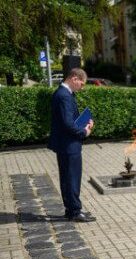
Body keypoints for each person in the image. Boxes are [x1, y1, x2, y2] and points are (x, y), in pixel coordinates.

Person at [48, 68, 96, 222]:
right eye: (81, 84)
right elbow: (68, 124)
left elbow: (69, 120)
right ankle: (75, 211)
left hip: (67, 144)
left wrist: (84, 124)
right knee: (71, 178)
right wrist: (84, 132)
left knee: (68, 178)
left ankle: (71, 209)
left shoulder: (65, 94)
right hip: (68, 145)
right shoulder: (64, 96)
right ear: (74, 78)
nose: (81, 88)